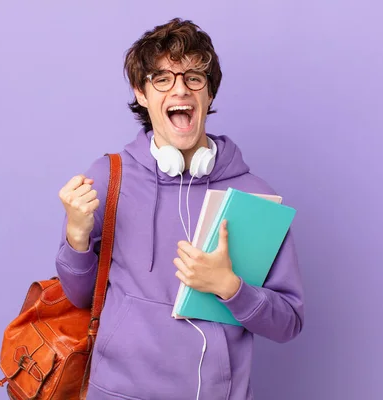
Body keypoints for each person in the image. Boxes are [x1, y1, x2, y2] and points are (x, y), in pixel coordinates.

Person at [56, 18, 304, 400]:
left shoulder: (254, 197)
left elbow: (288, 322)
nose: (180, 89)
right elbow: (79, 297)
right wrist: (76, 235)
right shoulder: (108, 178)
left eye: (193, 77)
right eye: (162, 79)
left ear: (208, 94)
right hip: (115, 391)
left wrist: (230, 288)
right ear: (141, 93)